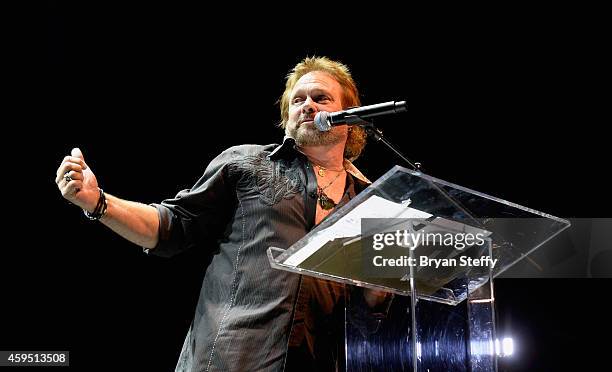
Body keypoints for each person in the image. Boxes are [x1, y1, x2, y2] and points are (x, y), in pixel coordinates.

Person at [55, 56, 390, 371]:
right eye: (298, 100)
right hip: (230, 358)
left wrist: (378, 293)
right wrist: (98, 201)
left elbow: (362, 319)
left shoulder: (370, 203)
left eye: (321, 97)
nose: (308, 106)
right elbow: (172, 226)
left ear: (352, 116)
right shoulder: (247, 162)